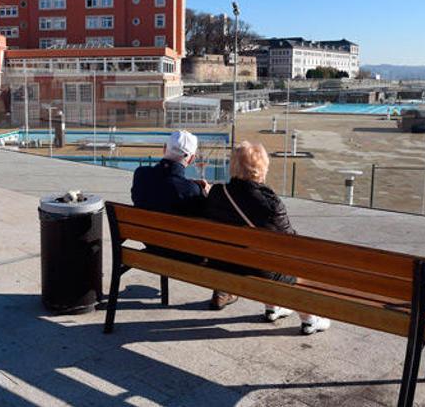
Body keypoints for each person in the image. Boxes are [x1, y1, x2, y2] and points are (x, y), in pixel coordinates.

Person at [204, 141, 331, 335]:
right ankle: (309, 319)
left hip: (224, 265)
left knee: (260, 254)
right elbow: (290, 243)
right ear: (261, 168)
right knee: (290, 263)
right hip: (259, 270)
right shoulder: (270, 203)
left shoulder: (217, 192)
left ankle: (273, 307)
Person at [130, 130, 238, 310]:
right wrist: (207, 194)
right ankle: (223, 288)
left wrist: (193, 187)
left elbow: (162, 191)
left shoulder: (141, 175)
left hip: (151, 244)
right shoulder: (190, 192)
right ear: (192, 158)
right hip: (182, 254)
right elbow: (207, 219)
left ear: (164, 148)